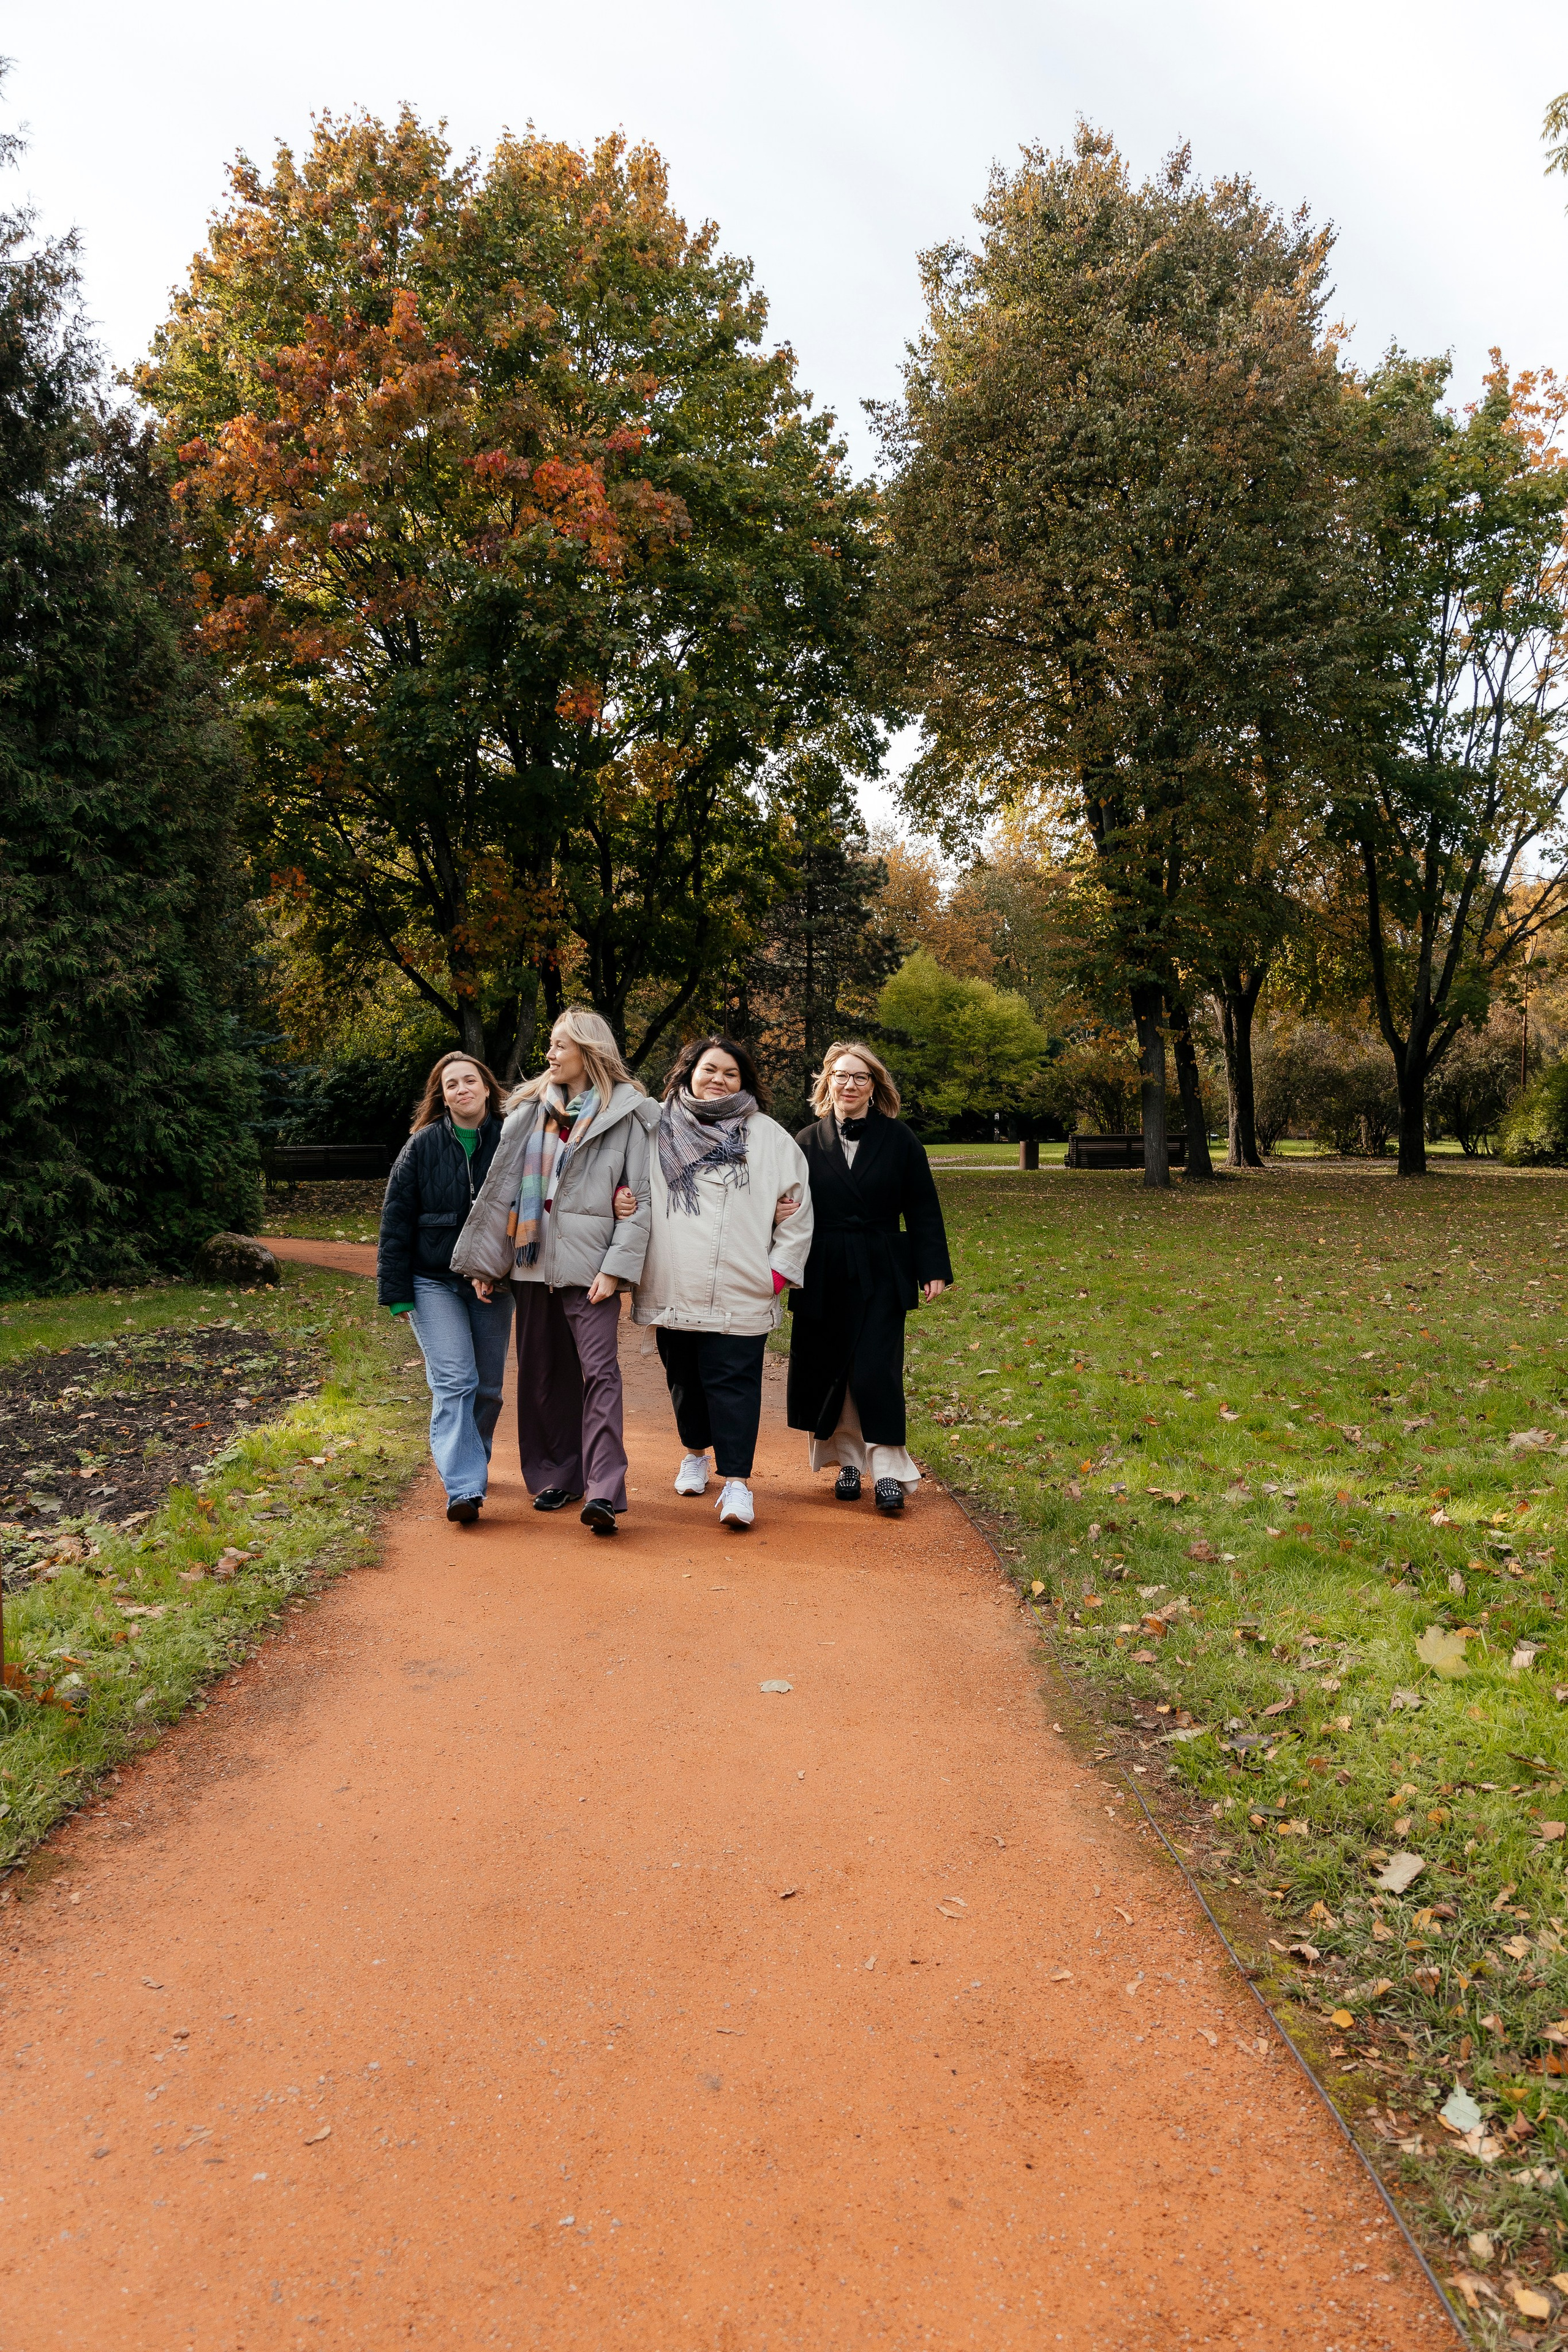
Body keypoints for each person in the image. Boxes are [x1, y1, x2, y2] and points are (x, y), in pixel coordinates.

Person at [450, 1008, 658, 1536]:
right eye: (549, 1044)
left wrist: (614, 1271)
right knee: (543, 1375)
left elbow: (644, 1201)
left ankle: (606, 1490)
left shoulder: (630, 1115)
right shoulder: (526, 1111)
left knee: (599, 1374)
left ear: (588, 1050)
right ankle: (556, 1475)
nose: (549, 1055)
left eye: (559, 1046)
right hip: (530, 1265)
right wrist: (487, 1264)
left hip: (591, 1271)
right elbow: (500, 1193)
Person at [620, 1036, 813, 1532]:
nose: (718, 1080)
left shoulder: (768, 1137)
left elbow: (798, 1210)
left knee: (735, 1386)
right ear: (688, 1073)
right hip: (672, 1280)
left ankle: (738, 1484)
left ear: (743, 1080)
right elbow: (623, 1177)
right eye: (709, 1070)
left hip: (741, 1284)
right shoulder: (653, 1127)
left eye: (730, 1073)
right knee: (684, 1379)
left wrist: (775, 1272)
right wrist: (620, 1199)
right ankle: (694, 1454)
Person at [787, 1041, 952, 1515]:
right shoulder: (803, 1141)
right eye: (841, 1075)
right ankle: (847, 1462)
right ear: (827, 1082)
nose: (849, 1084)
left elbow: (922, 1206)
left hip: (881, 1265)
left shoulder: (900, 1139)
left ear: (875, 1087)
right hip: (822, 1268)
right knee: (831, 1366)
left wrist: (932, 1267)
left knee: (877, 1369)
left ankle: (887, 1471)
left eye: (860, 1077)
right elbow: (784, 1204)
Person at [377, 1052, 513, 1526]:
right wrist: (396, 1291)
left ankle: (472, 1460)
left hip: (494, 1280)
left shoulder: (511, 1139)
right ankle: (464, 1486)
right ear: (442, 1095)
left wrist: (500, 1268)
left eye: (470, 1080)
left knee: (490, 1388)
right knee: (456, 1379)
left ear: (487, 1086)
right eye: (451, 1084)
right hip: (431, 1280)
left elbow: (528, 1209)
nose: (462, 1090)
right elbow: (395, 1220)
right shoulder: (421, 1145)